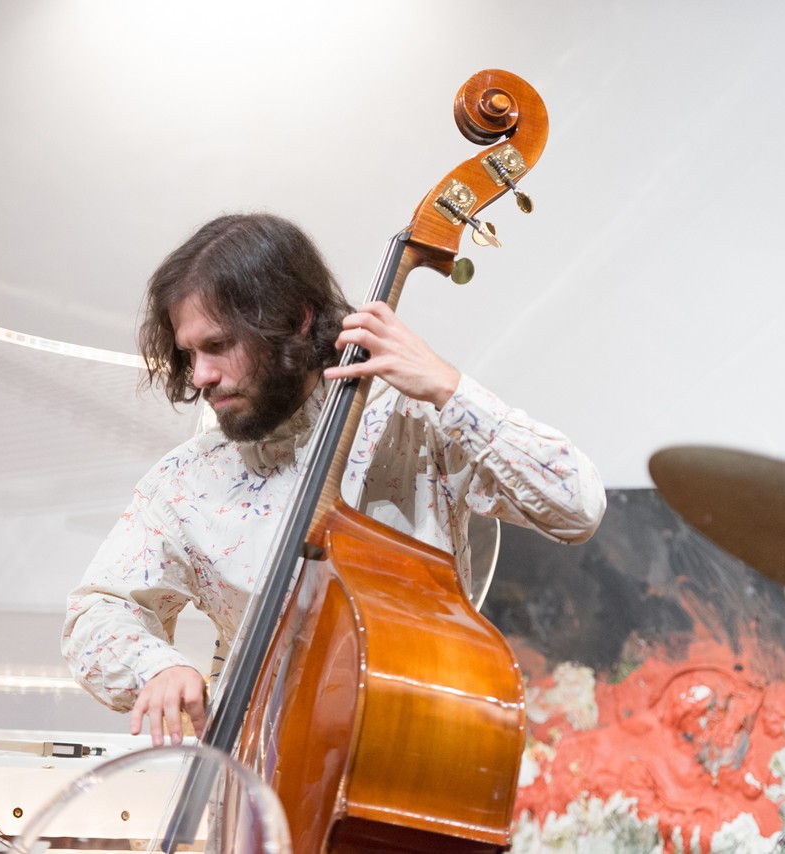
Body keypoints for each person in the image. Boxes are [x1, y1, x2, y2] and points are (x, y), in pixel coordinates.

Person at [62, 212, 605, 747]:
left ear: (295, 320)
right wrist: (156, 667)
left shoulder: (414, 422)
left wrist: (448, 388)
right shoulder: (187, 478)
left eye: (219, 345)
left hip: (416, 747)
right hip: (253, 766)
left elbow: (576, 505)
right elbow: (95, 612)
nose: (201, 374)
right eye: (190, 353)